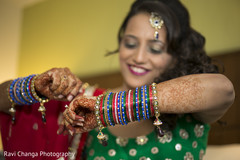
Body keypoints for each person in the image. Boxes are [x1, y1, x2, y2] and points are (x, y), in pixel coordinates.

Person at [0, 0, 235, 160]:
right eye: (130, 44)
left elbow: (224, 90)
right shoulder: (84, 102)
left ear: (174, 58)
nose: (139, 57)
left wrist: (109, 108)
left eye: (155, 49)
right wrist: (33, 86)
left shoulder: (192, 108)